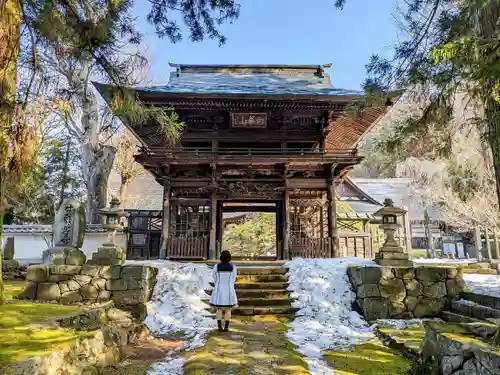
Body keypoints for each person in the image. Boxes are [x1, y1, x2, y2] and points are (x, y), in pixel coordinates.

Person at [209, 250, 238, 332]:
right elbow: (233, 278)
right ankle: (226, 327)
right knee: (228, 309)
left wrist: (218, 283)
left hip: (219, 289)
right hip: (229, 289)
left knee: (218, 308)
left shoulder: (216, 266)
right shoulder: (233, 267)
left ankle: (219, 326)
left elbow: (214, 277)